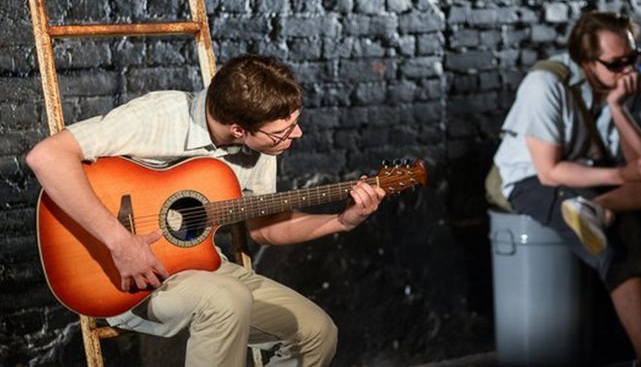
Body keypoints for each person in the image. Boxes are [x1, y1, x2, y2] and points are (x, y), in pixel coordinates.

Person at [26, 54, 386, 366]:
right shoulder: (158, 115)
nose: (298, 135)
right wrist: (120, 243)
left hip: (199, 265)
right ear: (238, 129)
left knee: (316, 334)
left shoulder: (261, 147)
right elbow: (46, 156)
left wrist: (342, 221)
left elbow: (262, 229)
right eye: (283, 132)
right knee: (226, 300)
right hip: (125, 277)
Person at [492, 11, 641, 365]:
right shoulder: (546, 84)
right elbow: (550, 171)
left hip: (599, 174)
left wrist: (619, 108)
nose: (627, 70)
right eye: (616, 63)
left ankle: (598, 210)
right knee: (620, 237)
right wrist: (623, 178)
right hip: (532, 177)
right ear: (587, 63)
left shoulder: (637, 85)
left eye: (633, 58)